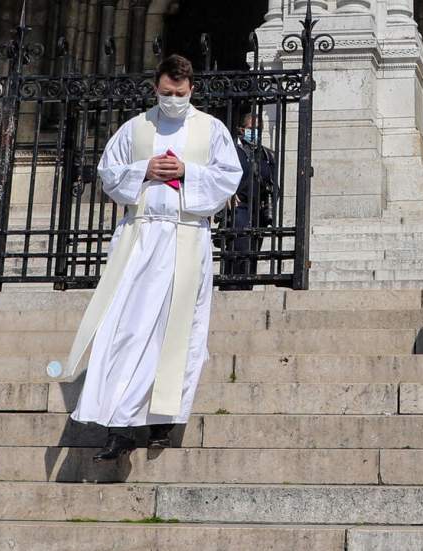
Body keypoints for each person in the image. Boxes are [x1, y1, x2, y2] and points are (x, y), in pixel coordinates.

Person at [57, 55, 242, 461]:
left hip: (186, 238)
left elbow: (230, 176)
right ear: (154, 89)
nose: (172, 100)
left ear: (192, 89)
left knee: (177, 333)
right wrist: (144, 169)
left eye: (179, 94)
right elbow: (108, 172)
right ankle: (119, 426)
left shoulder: (211, 129)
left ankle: (162, 420)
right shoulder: (136, 127)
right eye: (165, 93)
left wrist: (187, 171)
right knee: (128, 328)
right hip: (140, 237)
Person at [219, 113, 277, 291]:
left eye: (259, 129)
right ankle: (231, 287)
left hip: (258, 210)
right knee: (239, 250)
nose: (256, 133)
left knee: (252, 252)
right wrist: (227, 193)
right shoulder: (232, 152)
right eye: (252, 129)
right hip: (239, 207)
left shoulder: (267, 154)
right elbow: (219, 175)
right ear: (242, 130)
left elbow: (274, 182)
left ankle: (246, 288)